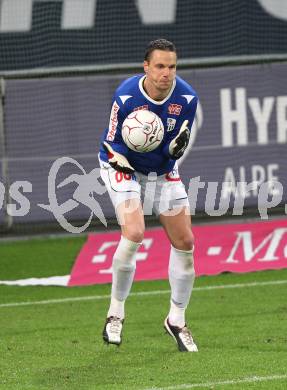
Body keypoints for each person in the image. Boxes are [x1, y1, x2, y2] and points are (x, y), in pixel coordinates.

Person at [98, 38, 198, 352]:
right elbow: (112, 144)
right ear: (146, 66)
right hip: (122, 165)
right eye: (159, 66)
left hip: (161, 171)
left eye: (171, 66)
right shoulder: (126, 95)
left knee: (185, 242)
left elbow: (174, 151)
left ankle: (177, 320)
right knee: (135, 232)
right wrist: (123, 162)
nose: (166, 73)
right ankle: (115, 313)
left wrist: (172, 150)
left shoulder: (187, 98)